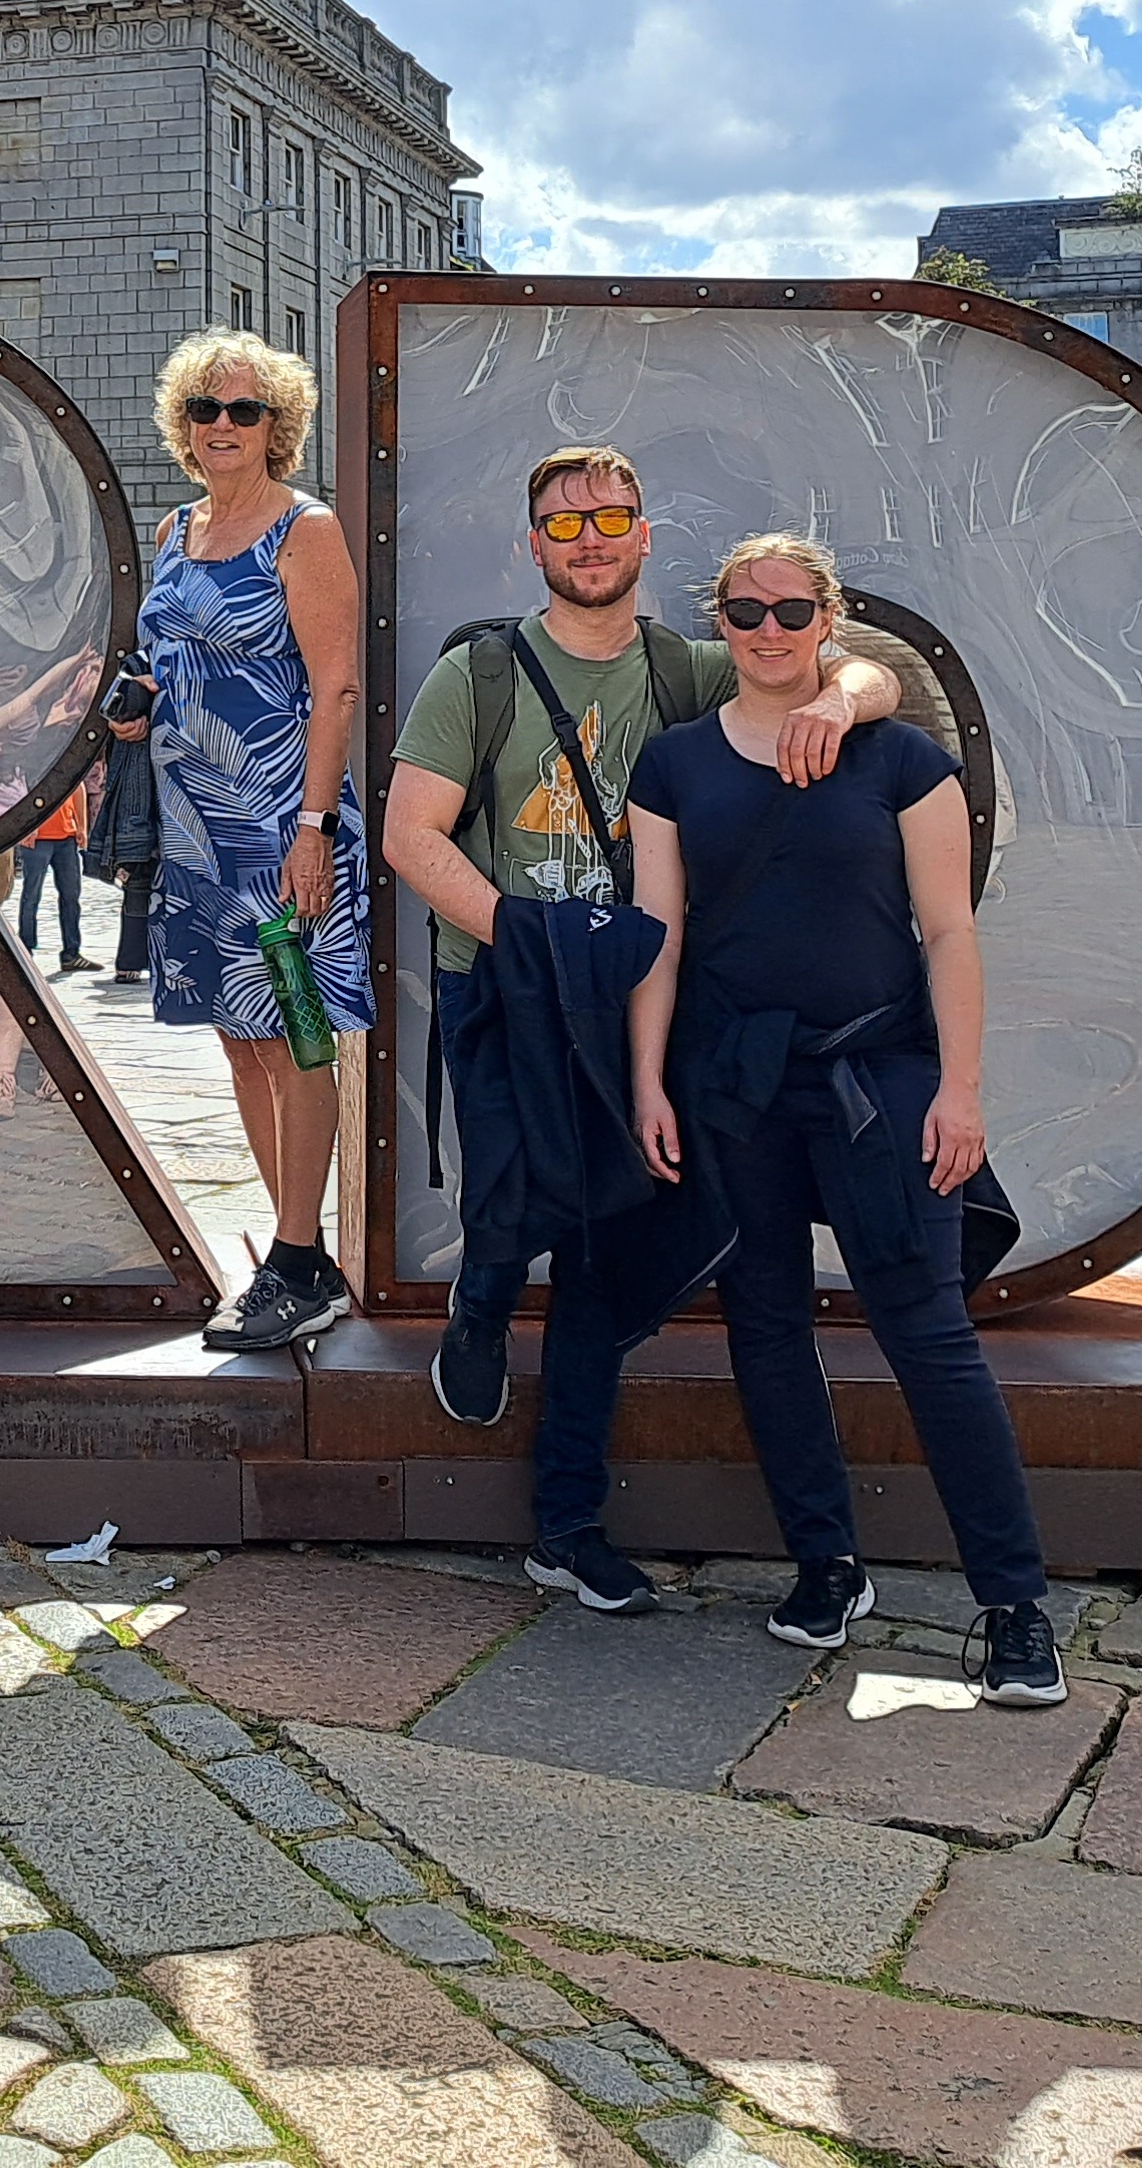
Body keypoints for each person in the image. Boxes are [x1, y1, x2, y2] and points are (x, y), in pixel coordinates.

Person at [382, 448, 893, 1612]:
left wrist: (833, 699)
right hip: (508, 986)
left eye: (611, 518)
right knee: (507, 1201)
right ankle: (478, 1300)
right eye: (565, 525)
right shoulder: (483, 673)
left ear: (645, 536)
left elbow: (864, 671)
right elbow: (414, 836)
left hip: (639, 1001)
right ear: (535, 546)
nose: (590, 539)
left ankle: (563, 1524)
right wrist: (528, 934)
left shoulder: (692, 669)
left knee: (601, 1248)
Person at [624, 531, 1064, 1706]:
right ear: (717, 623)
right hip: (736, 1081)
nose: (766, 632)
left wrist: (961, 1090)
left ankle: (1012, 1605)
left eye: (788, 610)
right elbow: (657, 936)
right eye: (742, 612)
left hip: (879, 1076)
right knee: (763, 1322)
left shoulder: (902, 761)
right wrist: (648, 1080)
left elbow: (949, 930)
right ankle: (825, 1563)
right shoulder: (671, 767)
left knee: (925, 1331)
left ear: (827, 618)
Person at [146, 331, 380, 1357]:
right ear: (184, 425)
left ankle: (295, 1255)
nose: (223, 426)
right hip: (196, 829)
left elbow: (335, 685)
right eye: (206, 408)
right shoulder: (175, 528)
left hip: (282, 821)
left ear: (276, 425)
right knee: (237, 1033)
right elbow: (173, 667)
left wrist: (315, 828)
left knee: (295, 1026)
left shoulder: (303, 527)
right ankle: (293, 1256)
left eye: (245, 410)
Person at [89, 655, 161, 984]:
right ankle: (131, 959)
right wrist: (134, 687)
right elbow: (116, 706)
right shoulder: (134, 664)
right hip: (143, 802)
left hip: (168, 797)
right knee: (139, 883)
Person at [19, 773, 93, 977]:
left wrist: (81, 826)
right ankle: (25, 949)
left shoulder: (64, 752)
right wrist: (26, 826)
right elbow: (18, 789)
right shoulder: (33, 760)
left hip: (66, 836)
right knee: (31, 896)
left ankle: (72, 952)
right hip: (37, 838)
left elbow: (77, 786)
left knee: (72, 896)